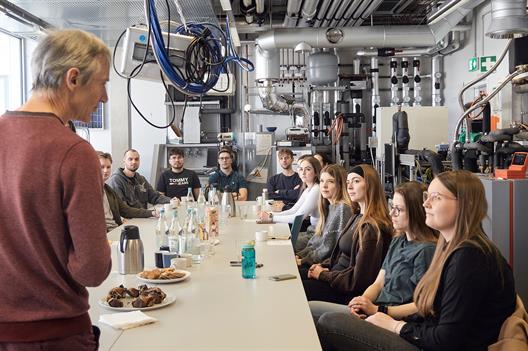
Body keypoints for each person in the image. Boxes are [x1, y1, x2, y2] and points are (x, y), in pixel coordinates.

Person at [317, 171, 516, 351]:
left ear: (466, 205)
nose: (425, 204)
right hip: (419, 332)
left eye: (436, 198)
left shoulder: (470, 257)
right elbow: (429, 310)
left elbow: (445, 340)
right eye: (426, 197)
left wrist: (392, 324)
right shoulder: (449, 247)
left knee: (329, 322)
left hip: (429, 344)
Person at [0, 29, 112, 350]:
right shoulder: (74, 152)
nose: (103, 97)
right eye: (102, 83)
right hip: (54, 334)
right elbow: (92, 269)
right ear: (73, 78)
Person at [310, 181, 437, 324]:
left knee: (324, 319)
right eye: (392, 207)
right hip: (375, 310)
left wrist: (378, 310)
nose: (391, 213)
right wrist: (362, 302)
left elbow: (421, 305)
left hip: (390, 319)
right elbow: (378, 283)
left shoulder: (426, 250)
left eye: (399, 210)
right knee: (311, 308)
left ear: (417, 213)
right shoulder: (398, 240)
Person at [301, 165, 393, 304]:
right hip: (335, 278)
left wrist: (323, 275)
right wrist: (322, 267)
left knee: (296, 289)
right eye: (348, 183)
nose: (349, 187)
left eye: (356, 181)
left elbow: (359, 281)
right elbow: (338, 258)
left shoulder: (372, 227)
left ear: (370, 185)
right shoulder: (356, 217)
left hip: (344, 292)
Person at [296, 164, 353, 267]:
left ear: (340, 185)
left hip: (325, 268)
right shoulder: (329, 207)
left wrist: (303, 261)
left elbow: (328, 249)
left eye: (330, 181)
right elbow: (316, 242)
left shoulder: (342, 209)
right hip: (314, 263)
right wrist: (299, 256)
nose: (324, 186)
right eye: (322, 181)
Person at [98, 151, 156, 232]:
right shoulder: (90, 191)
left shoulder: (108, 190)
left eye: (108, 167)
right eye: (102, 167)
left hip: (116, 228)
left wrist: (152, 213)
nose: (105, 171)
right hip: (105, 233)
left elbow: (126, 210)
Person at [260, 156, 320, 229]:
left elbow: (297, 217)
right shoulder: (308, 189)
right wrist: (270, 214)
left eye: (308, 169)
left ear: (316, 172)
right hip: (313, 230)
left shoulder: (316, 189)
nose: (303, 173)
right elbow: (293, 211)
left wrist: (271, 218)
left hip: (317, 234)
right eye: (301, 169)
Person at [107, 149, 171, 209]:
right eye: (130, 159)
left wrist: (171, 200)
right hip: (129, 219)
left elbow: (154, 196)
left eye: (136, 159)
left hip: (142, 217)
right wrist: (150, 213)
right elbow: (122, 208)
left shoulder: (141, 179)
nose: (134, 162)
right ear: (124, 161)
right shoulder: (116, 180)